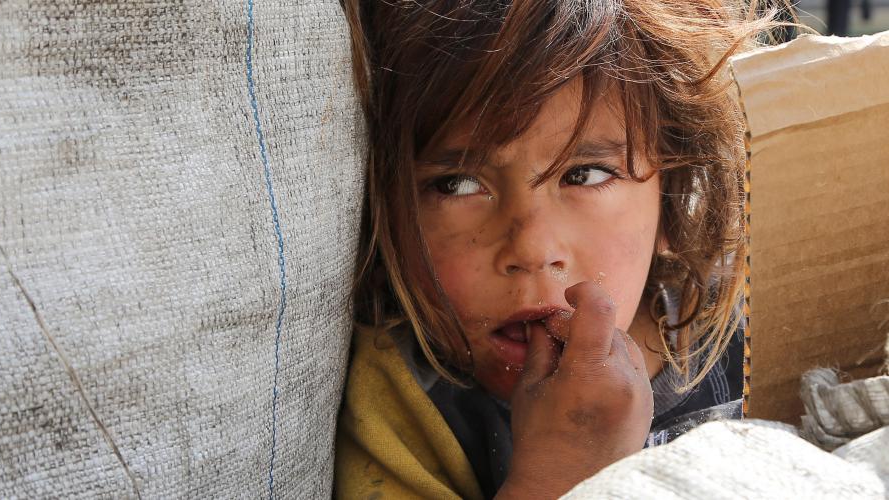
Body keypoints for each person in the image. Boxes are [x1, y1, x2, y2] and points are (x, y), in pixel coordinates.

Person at [337, 1, 786, 498]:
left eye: (586, 175)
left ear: (673, 197)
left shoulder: (755, 326)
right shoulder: (405, 405)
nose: (533, 249)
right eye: (458, 184)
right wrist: (564, 475)